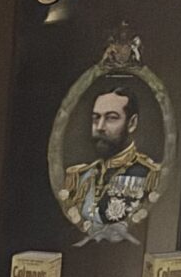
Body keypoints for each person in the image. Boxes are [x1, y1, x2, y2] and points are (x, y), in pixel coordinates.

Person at [59, 79, 161, 243]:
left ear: (132, 123)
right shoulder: (78, 176)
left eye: (111, 118)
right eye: (95, 118)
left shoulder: (150, 174)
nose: (100, 126)